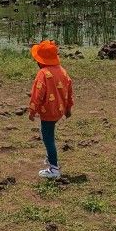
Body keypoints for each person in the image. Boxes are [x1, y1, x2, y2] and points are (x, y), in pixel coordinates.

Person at [28, 39, 73, 180]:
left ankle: (54, 168)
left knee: (48, 139)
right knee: (48, 133)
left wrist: (32, 111)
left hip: (48, 111)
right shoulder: (62, 71)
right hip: (58, 110)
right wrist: (68, 109)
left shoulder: (42, 73)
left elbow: (37, 94)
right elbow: (69, 91)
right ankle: (50, 157)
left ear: (40, 61)